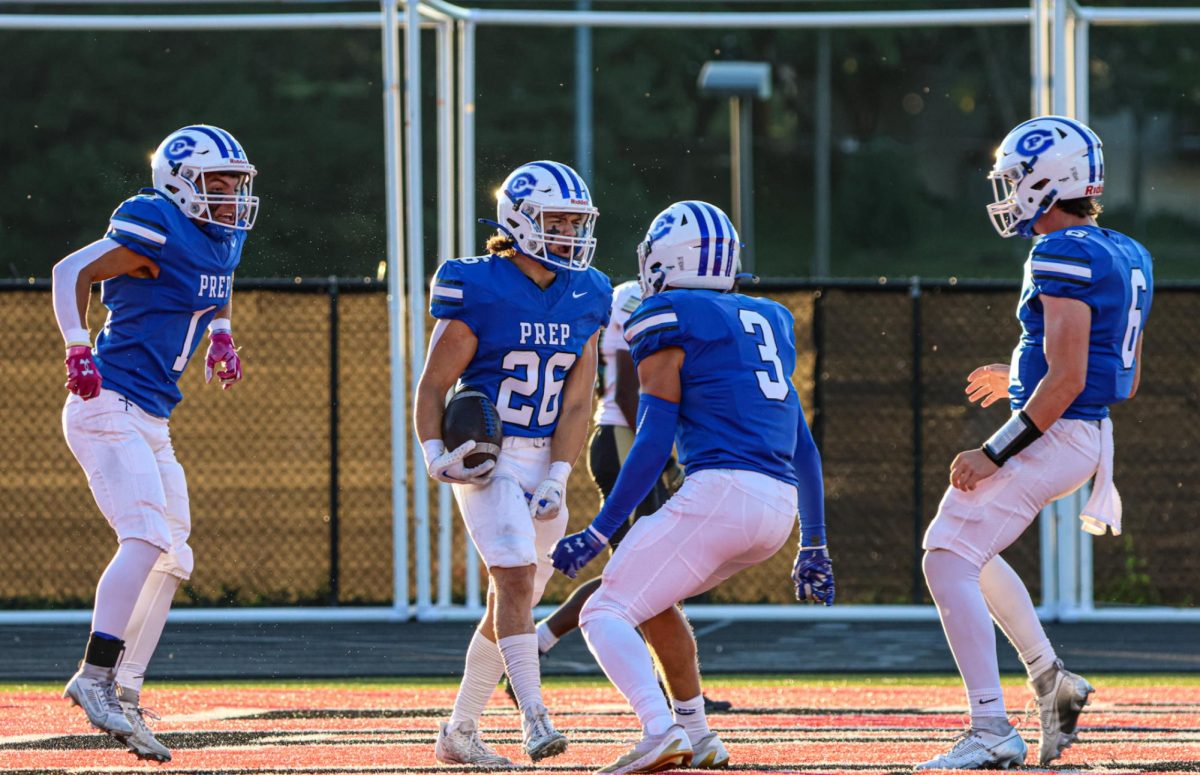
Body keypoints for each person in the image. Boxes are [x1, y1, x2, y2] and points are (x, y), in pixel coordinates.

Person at [551, 201, 833, 773]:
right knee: (650, 600)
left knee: (602, 612)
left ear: (666, 259)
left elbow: (653, 439)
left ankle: (658, 730)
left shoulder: (665, 312)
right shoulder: (770, 316)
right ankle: (697, 734)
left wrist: (599, 529)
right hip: (776, 508)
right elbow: (802, 441)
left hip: (721, 491)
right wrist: (814, 542)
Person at [917, 116, 1152, 770]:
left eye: (1017, 179)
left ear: (1050, 182)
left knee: (944, 556)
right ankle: (1053, 684)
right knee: (970, 549)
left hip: (1062, 429)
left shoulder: (1061, 250)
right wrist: (1021, 377)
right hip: (1082, 430)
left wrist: (991, 450)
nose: (1008, 191)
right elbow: (1103, 370)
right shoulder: (1118, 248)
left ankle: (991, 725)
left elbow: (1070, 373)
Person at [53, 125, 258, 763]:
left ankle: (127, 690)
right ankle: (93, 676)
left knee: (175, 552)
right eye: (215, 183)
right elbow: (70, 270)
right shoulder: (155, 222)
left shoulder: (223, 238)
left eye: (235, 184)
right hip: (106, 401)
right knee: (144, 536)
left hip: (151, 415)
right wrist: (76, 345)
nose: (229, 196)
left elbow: (214, 287)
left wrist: (221, 334)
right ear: (178, 181)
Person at [413, 161, 613, 767]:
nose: (570, 233)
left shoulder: (589, 290)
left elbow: (580, 398)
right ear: (519, 220)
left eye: (577, 222)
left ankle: (459, 731)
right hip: (487, 456)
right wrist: (433, 456)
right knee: (515, 581)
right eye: (557, 221)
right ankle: (535, 718)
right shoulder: (481, 284)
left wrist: (559, 474)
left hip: (543, 456)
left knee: (514, 603)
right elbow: (433, 386)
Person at [514, 280, 732, 715]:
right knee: (648, 572)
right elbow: (628, 377)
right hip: (625, 437)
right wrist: (658, 447)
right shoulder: (637, 298)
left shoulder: (649, 297)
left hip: (624, 436)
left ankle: (540, 642)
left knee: (642, 572)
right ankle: (672, 694)